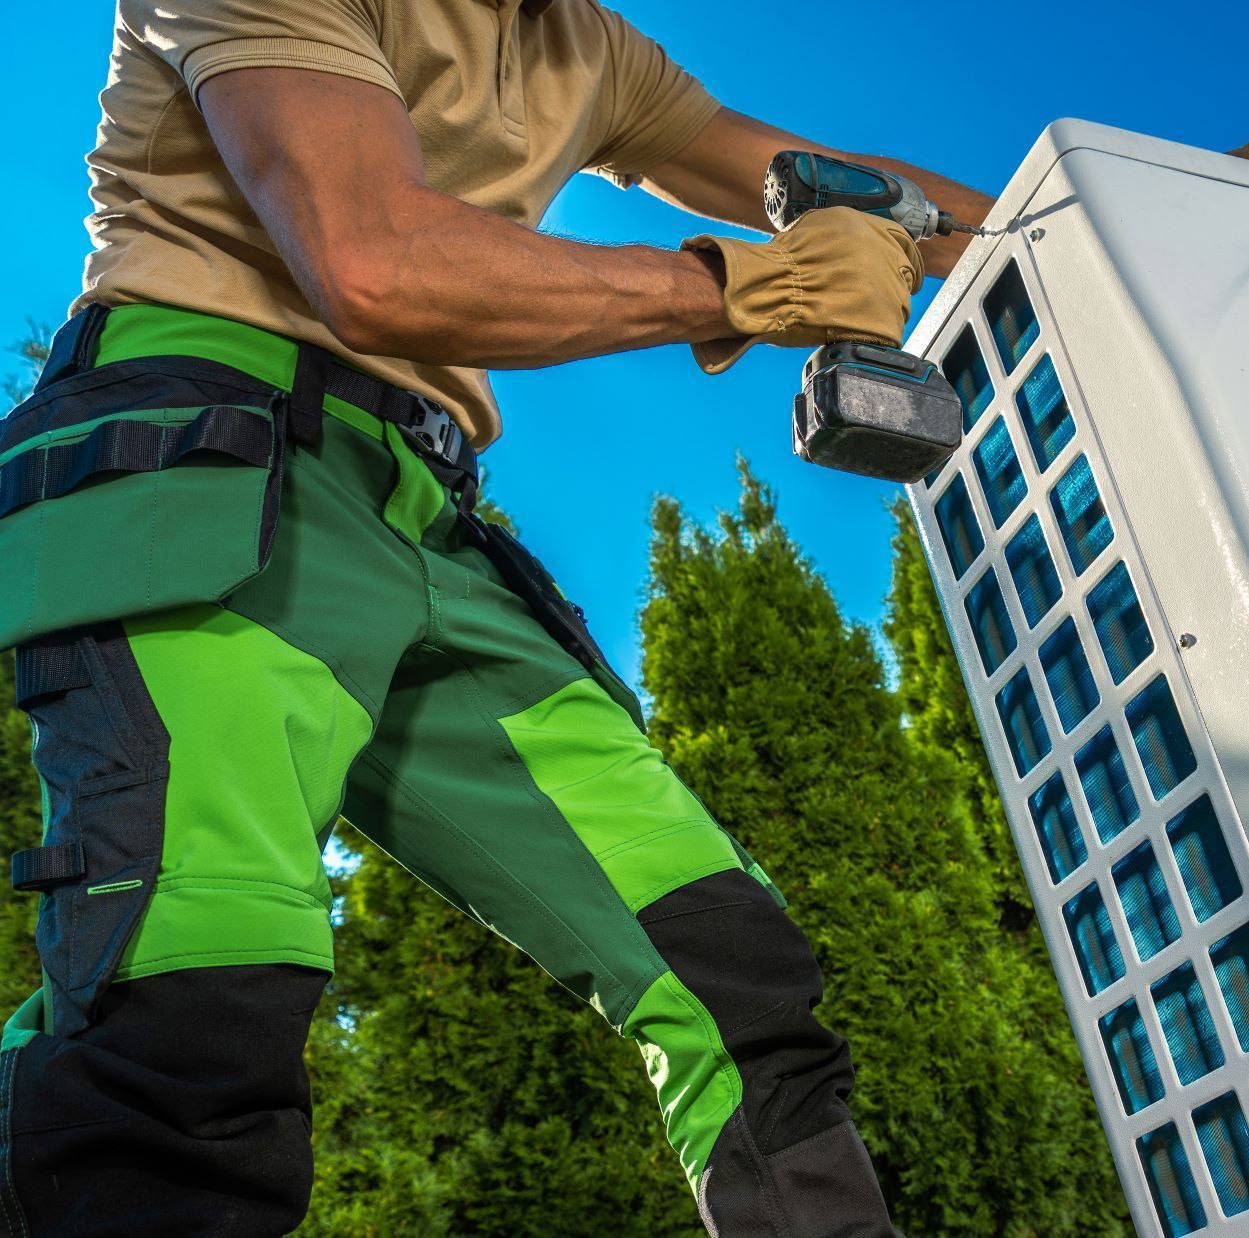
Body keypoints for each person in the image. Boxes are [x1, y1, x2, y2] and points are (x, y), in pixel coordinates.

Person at [0, 1, 993, 1233]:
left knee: (728, 966)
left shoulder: (585, 46)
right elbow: (373, 263)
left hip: (430, 513)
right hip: (213, 456)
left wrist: (1084, 220)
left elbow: (831, 179)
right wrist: (747, 286)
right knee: (195, 990)